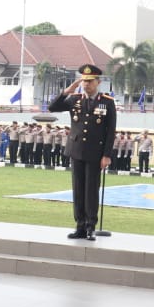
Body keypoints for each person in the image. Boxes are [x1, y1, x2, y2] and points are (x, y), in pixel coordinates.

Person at [48, 64, 116, 241]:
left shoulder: (106, 102)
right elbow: (52, 107)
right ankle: (79, 226)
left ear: (98, 82)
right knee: (78, 190)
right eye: (84, 81)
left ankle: (90, 226)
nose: (87, 84)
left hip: (95, 152)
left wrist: (107, 155)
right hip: (76, 151)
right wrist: (67, 91)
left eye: (90, 81)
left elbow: (110, 131)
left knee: (91, 190)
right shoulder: (75, 99)